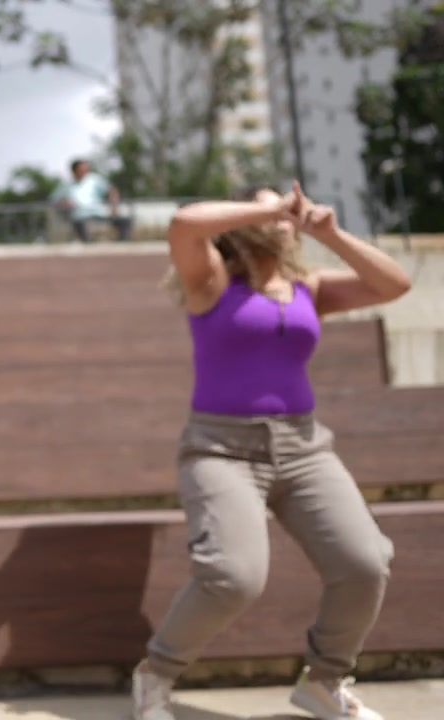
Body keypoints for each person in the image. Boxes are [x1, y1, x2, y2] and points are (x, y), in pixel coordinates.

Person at [132, 182, 412, 720]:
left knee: (365, 562)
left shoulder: (308, 286)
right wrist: (269, 208)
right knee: (232, 576)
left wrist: (331, 233)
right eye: (269, 207)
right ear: (241, 221)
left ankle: (324, 682)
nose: (285, 214)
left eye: (286, 207)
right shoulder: (210, 280)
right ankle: (155, 675)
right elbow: (184, 223)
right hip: (221, 450)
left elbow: (394, 284)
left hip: (304, 448)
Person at [50, 158, 132, 242]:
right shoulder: (65, 184)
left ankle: (122, 244)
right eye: (81, 170)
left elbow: (112, 191)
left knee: (124, 221)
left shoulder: (95, 179)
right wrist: (64, 203)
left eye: (86, 170)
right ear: (74, 171)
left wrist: (113, 208)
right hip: (80, 216)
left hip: (99, 213)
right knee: (82, 226)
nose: (84, 172)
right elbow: (53, 200)